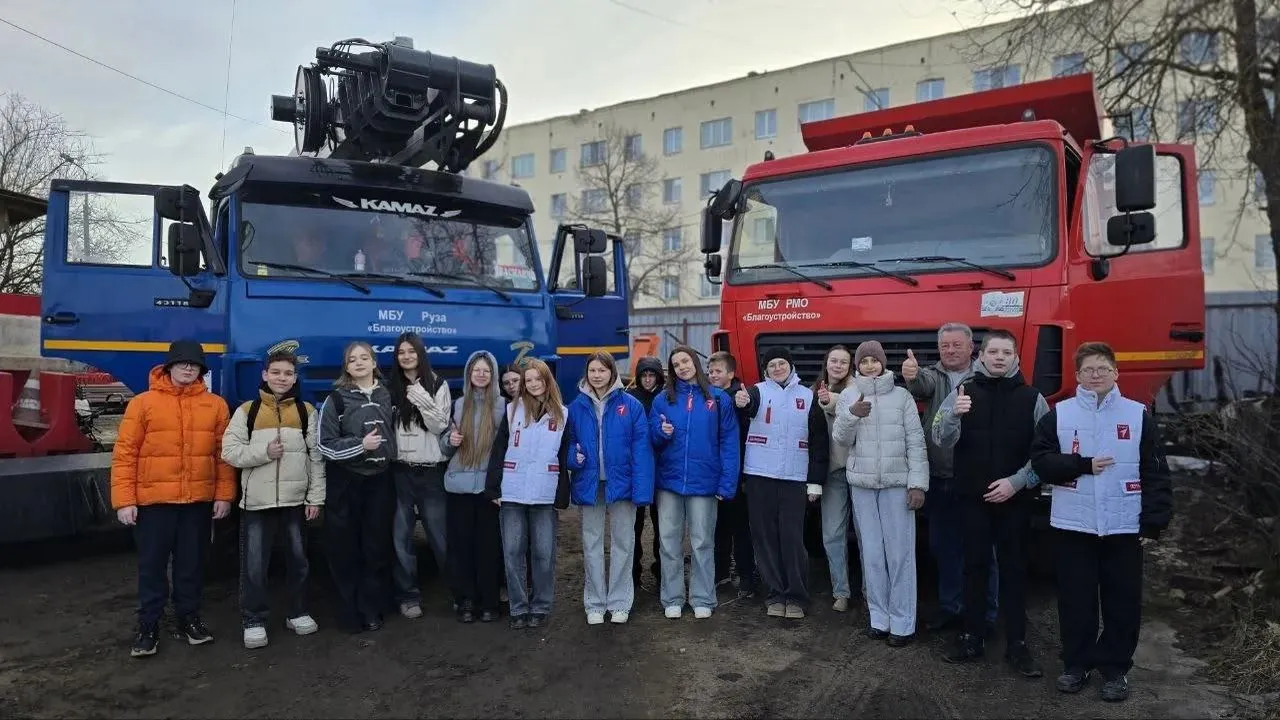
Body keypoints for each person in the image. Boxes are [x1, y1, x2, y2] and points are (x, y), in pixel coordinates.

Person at [1030, 342, 1173, 702]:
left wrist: (1153, 522)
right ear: (1077, 376)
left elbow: (1156, 472)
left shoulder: (1138, 415)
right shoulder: (1058, 415)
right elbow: (1041, 462)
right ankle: (1076, 664)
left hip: (1124, 527)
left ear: (1116, 373)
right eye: (1088, 370)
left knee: (1122, 601)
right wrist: (1080, 464)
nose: (1095, 375)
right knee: (1075, 600)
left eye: (1102, 369)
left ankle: (1114, 669)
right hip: (1073, 525)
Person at [932, 329, 1048, 677]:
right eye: (993, 351)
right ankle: (972, 637)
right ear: (981, 356)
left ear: (1016, 358)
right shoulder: (962, 392)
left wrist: (1016, 483)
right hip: (973, 498)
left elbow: (1045, 453)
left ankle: (1017, 645)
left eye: (1006, 352)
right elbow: (939, 435)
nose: (999, 357)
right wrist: (953, 413)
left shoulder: (1033, 398)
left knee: (1013, 571)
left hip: (1015, 499)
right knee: (975, 567)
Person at [111, 340, 235, 657]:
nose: (188, 368)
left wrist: (223, 495)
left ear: (201, 371)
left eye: (194, 364)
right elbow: (125, 455)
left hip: (197, 502)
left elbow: (223, 456)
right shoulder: (142, 404)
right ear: (169, 367)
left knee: (191, 566)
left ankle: (188, 619)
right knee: (151, 567)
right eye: (182, 363)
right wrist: (124, 501)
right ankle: (148, 626)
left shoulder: (216, 406)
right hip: (154, 503)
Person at [221, 349, 325, 649]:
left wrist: (315, 499)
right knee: (254, 564)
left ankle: (297, 612)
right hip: (257, 503)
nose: (282, 378)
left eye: (288, 374)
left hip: (295, 502)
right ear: (265, 375)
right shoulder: (247, 411)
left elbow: (316, 458)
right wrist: (263, 453)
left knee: (299, 561)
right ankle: (254, 619)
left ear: (295, 378)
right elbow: (229, 452)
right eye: (276, 372)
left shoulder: (306, 411)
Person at [902, 322, 999, 634]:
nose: (951, 350)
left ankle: (987, 614)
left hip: (977, 479)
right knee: (944, 547)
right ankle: (951, 607)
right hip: (941, 477)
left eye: (958, 345)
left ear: (971, 348)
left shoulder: (986, 376)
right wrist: (911, 375)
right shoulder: (933, 375)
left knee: (983, 549)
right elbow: (920, 387)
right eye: (945, 346)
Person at [831, 341, 928, 645]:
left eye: (875, 360)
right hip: (862, 485)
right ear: (857, 366)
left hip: (897, 484)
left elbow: (916, 442)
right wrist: (851, 415)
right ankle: (879, 618)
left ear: (884, 363)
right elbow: (841, 439)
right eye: (864, 361)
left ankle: (903, 623)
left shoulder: (902, 397)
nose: (870, 365)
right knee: (871, 554)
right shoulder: (849, 394)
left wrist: (917, 484)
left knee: (900, 554)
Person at [734, 347, 829, 619]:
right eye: (772, 365)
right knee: (764, 538)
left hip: (794, 478)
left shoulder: (807, 396)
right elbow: (746, 405)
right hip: (759, 476)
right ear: (765, 370)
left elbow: (819, 442)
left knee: (791, 538)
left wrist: (815, 482)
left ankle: (797, 596)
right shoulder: (757, 391)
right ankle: (775, 593)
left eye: (782, 363)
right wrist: (741, 401)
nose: (777, 368)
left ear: (791, 366)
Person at [651, 345, 741, 620]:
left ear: (695, 362)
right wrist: (660, 432)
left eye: (685, 361)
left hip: (705, 482)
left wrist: (727, 483)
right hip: (669, 482)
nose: (682, 367)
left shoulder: (717, 399)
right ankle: (673, 597)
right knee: (668, 542)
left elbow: (729, 442)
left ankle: (702, 596)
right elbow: (650, 439)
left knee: (702, 541)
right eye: (676, 364)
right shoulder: (663, 399)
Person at [566, 351, 655, 624]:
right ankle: (594, 602)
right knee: (591, 543)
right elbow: (568, 444)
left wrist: (642, 491)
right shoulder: (576, 407)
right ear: (587, 374)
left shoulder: (631, 406)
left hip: (622, 485)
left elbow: (642, 450)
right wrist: (573, 458)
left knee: (623, 543)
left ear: (612, 373)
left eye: (602, 370)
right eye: (592, 370)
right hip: (590, 485)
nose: (597, 375)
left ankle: (619, 602)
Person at [318, 341, 397, 634]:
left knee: (376, 547)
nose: (360, 363)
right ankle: (349, 612)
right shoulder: (335, 400)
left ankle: (371, 608)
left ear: (375, 362)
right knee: (345, 548)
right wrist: (359, 446)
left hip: (380, 480)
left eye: (365, 358)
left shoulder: (388, 395)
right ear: (346, 367)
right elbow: (325, 445)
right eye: (353, 360)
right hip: (347, 481)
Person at [486, 358, 571, 629]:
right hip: (512, 491)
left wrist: (562, 494)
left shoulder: (562, 414)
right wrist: (493, 487)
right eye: (529, 380)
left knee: (544, 553)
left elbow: (564, 454)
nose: (533, 384)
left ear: (548, 381)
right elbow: (498, 450)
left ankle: (541, 606)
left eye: (538, 379)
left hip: (544, 493)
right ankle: (518, 607)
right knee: (512, 553)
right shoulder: (512, 410)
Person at [386, 332, 453, 620]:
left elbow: (440, 426)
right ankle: (408, 596)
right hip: (399, 471)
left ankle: (457, 592)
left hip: (430, 472)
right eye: (401, 352)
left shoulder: (439, 384)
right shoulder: (388, 387)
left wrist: (422, 398)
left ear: (421, 354)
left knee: (441, 537)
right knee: (400, 538)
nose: (406, 357)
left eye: (411, 351)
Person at [442, 351, 507, 623]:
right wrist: (450, 440)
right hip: (459, 486)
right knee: (461, 547)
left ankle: (489, 600)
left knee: (488, 548)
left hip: (488, 489)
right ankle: (466, 600)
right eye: (476, 370)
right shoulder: (457, 405)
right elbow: (443, 445)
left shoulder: (504, 406)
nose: (481, 375)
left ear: (493, 376)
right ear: (469, 374)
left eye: (486, 371)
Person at [707, 351, 757, 595]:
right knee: (719, 527)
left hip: (737, 473)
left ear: (730, 373)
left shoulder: (739, 398)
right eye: (710, 371)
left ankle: (746, 576)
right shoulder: (709, 397)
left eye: (718, 371)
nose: (713, 375)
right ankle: (721, 574)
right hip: (715, 472)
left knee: (740, 527)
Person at [813, 344, 855, 612]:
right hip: (832, 472)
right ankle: (841, 591)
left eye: (843, 361)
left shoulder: (859, 387)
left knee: (867, 535)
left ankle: (869, 590)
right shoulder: (816, 389)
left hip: (860, 470)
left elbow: (849, 406)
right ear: (827, 363)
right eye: (834, 361)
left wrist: (829, 401)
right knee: (832, 534)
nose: (838, 365)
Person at [628, 356, 665, 588]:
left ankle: (662, 569)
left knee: (662, 524)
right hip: (638, 468)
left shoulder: (666, 398)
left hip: (662, 468)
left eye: (652, 375)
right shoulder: (631, 399)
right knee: (634, 524)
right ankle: (633, 572)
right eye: (644, 375)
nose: (648, 379)